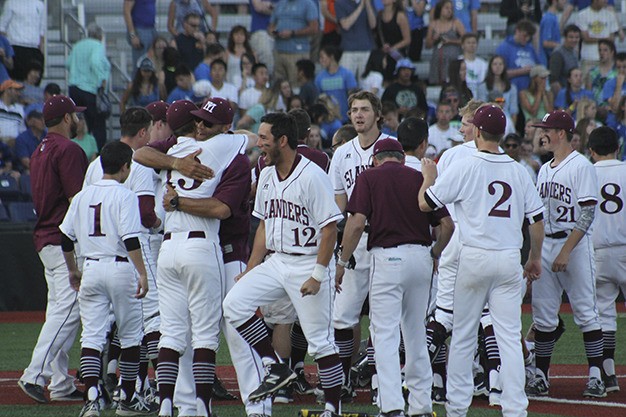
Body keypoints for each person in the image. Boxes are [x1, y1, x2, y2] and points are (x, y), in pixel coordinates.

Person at [419, 104, 546, 417]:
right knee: (507, 337)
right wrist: (534, 258)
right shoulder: (518, 169)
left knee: (462, 336)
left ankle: (458, 408)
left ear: (476, 130)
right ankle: (515, 409)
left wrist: (427, 178)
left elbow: (426, 203)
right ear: (501, 134)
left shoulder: (465, 164)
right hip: (508, 259)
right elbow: (537, 220)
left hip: (473, 256)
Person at [222, 112, 344, 417]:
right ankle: (274, 365)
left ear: (283, 141)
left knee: (321, 343)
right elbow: (263, 226)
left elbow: (330, 229)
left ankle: (333, 408)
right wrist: (251, 268)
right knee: (234, 305)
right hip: (277, 261)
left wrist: (318, 274)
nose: (259, 144)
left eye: (264, 138)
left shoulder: (312, 176)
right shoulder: (264, 173)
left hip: (308, 263)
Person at [337, 137, 453, 417]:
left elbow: (355, 223)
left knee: (384, 334)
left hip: (386, 256)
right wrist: (434, 252)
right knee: (414, 333)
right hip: (421, 257)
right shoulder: (418, 177)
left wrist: (342, 259)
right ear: (401, 158)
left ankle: (391, 406)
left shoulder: (369, 177)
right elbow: (447, 226)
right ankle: (421, 406)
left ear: (375, 159)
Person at [59, 140, 157, 417]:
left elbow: (65, 237)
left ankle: (92, 399)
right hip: (120, 267)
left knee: (91, 337)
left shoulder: (81, 196)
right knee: (130, 336)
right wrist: (142, 272)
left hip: (90, 267)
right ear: (125, 166)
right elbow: (130, 238)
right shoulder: (125, 194)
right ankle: (126, 398)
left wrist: (72, 269)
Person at [526, 110, 606, 398]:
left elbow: (587, 213)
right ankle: (541, 376)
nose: (541, 133)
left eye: (545, 129)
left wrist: (566, 251)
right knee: (544, 316)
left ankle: (596, 376)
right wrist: (536, 254)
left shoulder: (581, 165)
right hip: (546, 244)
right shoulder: (545, 169)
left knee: (586, 311)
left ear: (562, 133)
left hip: (573, 244)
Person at [17, 95, 88, 404]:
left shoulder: (40, 149)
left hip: (46, 236)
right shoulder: (69, 149)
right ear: (66, 118)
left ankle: (60, 383)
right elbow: (77, 202)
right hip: (64, 241)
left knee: (59, 310)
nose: (78, 119)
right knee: (68, 309)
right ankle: (35, 374)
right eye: (74, 114)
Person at [329, 90, 394, 402]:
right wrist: (342, 243)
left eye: (365, 110)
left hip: (386, 238)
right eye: (354, 109)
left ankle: (384, 383)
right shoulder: (342, 153)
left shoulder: (392, 148)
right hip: (356, 240)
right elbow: (338, 204)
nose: (358, 115)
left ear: (377, 114)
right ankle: (342, 380)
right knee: (343, 315)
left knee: (385, 318)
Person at [588, 126, 625, 394]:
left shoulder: (586, 171)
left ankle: (609, 375)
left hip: (597, 251)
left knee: (604, 314)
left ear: (591, 151)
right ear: (618, 147)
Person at [67, 23, 111, 151]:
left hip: (74, 87)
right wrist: (101, 78)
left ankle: (77, 151)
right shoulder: (97, 46)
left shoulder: (78, 45)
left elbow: (68, 63)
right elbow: (95, 61)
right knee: (98, 124)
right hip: (90, 89)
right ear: (100, 36)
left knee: (78, 122)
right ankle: (98, 154)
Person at [269, 0, 319, 88]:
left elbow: (314, 28)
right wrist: (274, 32)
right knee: (278, 85)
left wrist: (293, 33)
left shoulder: (308, 4)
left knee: (296, 85)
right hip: (279, 52)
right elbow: (271, 26)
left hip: (298, 53)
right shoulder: (280, 4)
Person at [0, 0, 45, 82]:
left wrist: (41, 50)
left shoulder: (40, 5)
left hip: (34, 49)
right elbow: (2, 27)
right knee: (16, 80)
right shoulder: (11, 3)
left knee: (34, 82)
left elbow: (41, 31)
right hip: (16, 47)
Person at [334, 0, 377, 82]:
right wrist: (360, 7)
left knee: (366, 81)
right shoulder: (340, 3)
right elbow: (346, 25)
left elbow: (373, 25)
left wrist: (367, 5)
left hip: (366, 48)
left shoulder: (370, 2)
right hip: (349, 49)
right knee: (346, 80)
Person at [575, 0, 619, 78]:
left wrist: (594, 38)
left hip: (607, 59)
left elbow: (612, 39)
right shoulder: (582, 15)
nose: (606, 1)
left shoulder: (610, 16)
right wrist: (605, 39)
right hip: (588, 59)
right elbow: (586, 38)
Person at [425, 0, 464, 86]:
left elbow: (465, 40)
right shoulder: (433, 24)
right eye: (446, 8)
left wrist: (450, 41)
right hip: (437, 61)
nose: (449, 10)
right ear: (440, 9)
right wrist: (434, 39)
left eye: (451, 8)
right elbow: (427, 45)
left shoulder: (456, 23)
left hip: (452, 60)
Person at [496, 19, 540, 94]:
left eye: (529, 36)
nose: (527, 39)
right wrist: (521, 71)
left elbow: (539, 65)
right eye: (525, 35)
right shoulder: (504, 48)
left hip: (530, 92)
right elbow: (499, 73)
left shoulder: (530, 48)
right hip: (512, 91)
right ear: (517, 31)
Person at [316, 45, 357, 124]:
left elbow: (354, 96)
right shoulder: (319, 77)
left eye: (322, 57)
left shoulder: (347, 74)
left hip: (346, 118)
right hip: (327, 120)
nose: (320, 60)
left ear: (331, 56)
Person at [376, 0, 412, 83]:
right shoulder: (379, 15)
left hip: (397, 55)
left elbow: (407, 39)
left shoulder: (400, 16)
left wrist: (392, 48)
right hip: (383, 55)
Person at [548, 24, 582, 97]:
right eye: (571, 37)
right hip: (563, 97)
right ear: (565, 38)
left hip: (573, 94)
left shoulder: (574, 52)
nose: (574, 40)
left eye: (577, 37)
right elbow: (554, 81)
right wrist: (563, 98)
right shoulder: (558, 54)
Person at [485, 55, 519, 125]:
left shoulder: (512, 88)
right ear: (490, 66)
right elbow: (482, 107)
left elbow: (513, 111)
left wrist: (511, 128)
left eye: (500, 64)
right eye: (495, 64)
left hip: (507, 121)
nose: (498, 66)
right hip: (488, 120)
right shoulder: (483, 87)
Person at [123, 0, 158, 68]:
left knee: (152, 64)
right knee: (140, 64)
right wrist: (133, 35)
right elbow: (126, 11)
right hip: (140, 29)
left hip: (152, 28)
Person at [248, 0, 278, 75]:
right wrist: (280, 9)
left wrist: (270, 6)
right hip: (261, 30)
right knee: (266, 57)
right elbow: (259, 7)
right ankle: (265, 82)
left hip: (280, 32)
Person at [586, 39, 616, 104]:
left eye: (605, 50)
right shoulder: (592, 72)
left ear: (612, 52)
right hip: (595, 110)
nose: (601, 53)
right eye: (600, 50)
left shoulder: (617, 72)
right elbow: (588, 94)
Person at [460, 33, 488, 99]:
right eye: (468, 42)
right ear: (463, 45)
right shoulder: (457, 62)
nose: (471, 45)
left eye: (474, 42)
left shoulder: (483, 64)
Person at [0, 78, 25, 145]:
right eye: (16, 90)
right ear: (8, 90)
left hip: (15, 146)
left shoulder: (20, 109)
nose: (19, 94)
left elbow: (22, 131)